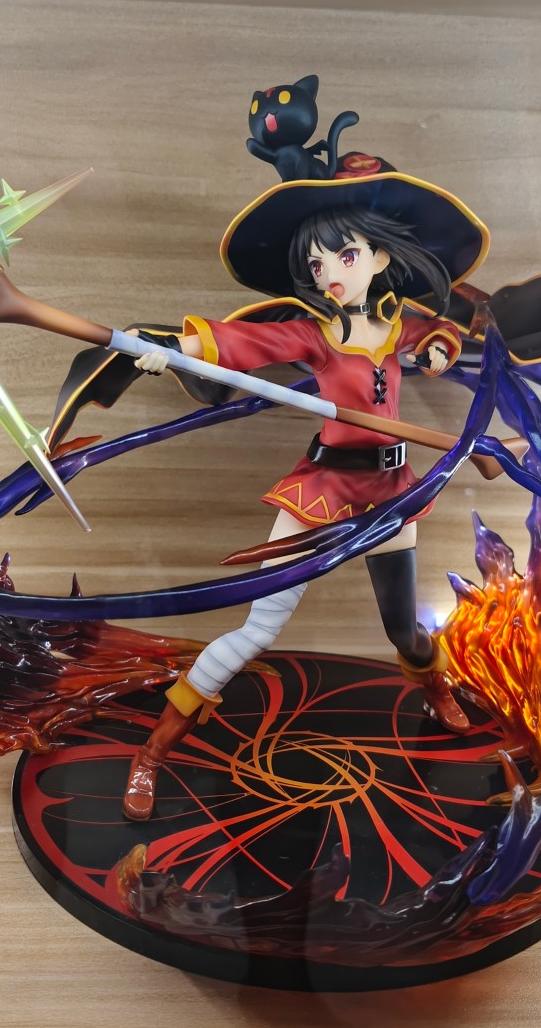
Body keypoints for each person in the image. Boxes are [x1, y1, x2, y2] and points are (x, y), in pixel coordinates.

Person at [119, 162, 491, 820]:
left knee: (405, 631)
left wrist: (437, 348)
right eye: (317, 265)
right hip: (322, 489)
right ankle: (151, 754)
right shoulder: (313, 335)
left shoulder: (399, 324)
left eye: (345, 256)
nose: (330, 273)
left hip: (389, 493)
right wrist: (172, 350)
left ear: (379, 258)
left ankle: (435, 688)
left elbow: (440, 332)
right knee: (257, 629)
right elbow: (243, 343)